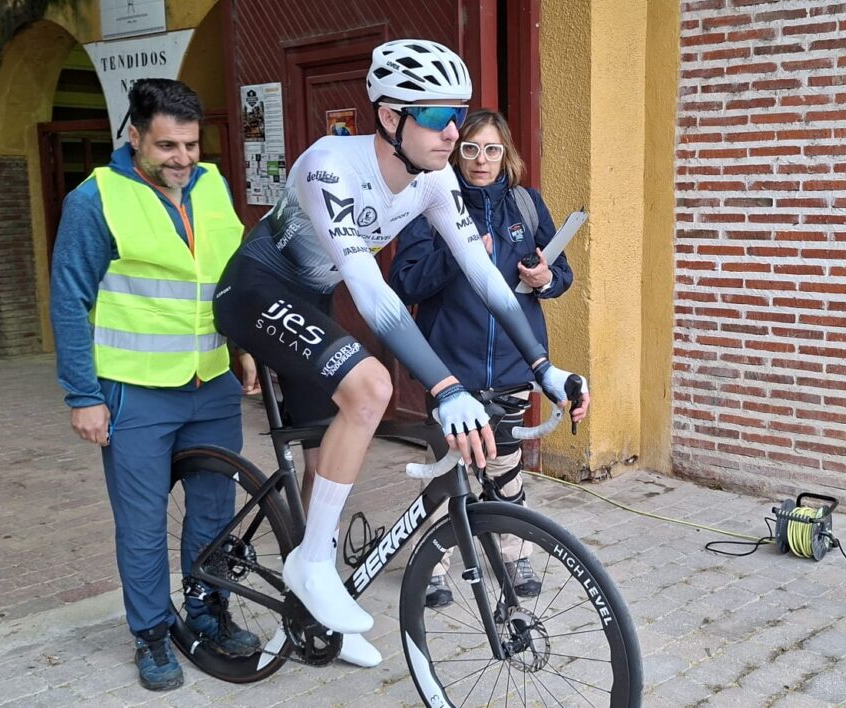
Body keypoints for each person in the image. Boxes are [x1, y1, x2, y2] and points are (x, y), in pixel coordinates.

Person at [212, 39, 590, 665]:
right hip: (254, 291)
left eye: (458, 115)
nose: (453, 133)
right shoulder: (328, 165)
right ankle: (312, 566)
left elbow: (485, 276)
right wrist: (446, 389)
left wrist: (544, 366)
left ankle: (310, 615)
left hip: (312, 300)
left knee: (324, 460)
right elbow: (374, 293)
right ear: (389, 117)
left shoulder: (433, 181)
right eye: (438, 117)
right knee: (372, 389)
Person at [50, 79, 261, 692]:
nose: (182, 158)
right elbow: (69, 301)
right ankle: (150, 633)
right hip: (133, 390)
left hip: (210, 382)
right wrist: (82, 395)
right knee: (142, 524)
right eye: (167, 145)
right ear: (134, 136)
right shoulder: (96, 199)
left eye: (191, 145)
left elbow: (228, 279)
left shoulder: (213, 185)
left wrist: (244, 346)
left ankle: (207, 611)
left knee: (215, 510)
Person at [387, 108, 572, 608]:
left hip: (513, 364)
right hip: (449, 367)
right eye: (470, 149)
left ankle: (514, 553)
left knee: (505, 465)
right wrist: (458, 253)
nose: (481, 160)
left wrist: (546, 279)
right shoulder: (428, 202)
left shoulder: (526, 205)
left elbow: (562, 274)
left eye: (492, 149)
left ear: (505, 153)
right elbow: (404, 281)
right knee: (447, 468)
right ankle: (433, 564)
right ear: (456, 153)